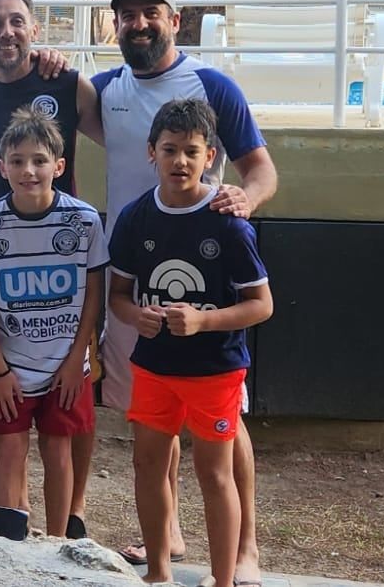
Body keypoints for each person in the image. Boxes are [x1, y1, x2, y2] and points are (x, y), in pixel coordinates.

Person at [90, 0, 278, 579]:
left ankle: (244, 547)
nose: (138, 24)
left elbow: (262, 170)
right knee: (152, 418)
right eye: (126, 16)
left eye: (151, 13)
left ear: (174, 19)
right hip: (137, 268)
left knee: (225, 426)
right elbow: (45, 93)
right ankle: (165, 540)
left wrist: (241, 203)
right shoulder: (103, 89)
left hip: (208, 280)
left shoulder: (212, 87)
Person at [0, 0, 102, 538]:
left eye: (17, 21)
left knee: (62, 442)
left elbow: (132, 128)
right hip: (10, 336)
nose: (6, 32)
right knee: (10, 452)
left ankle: (67, 535)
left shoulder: (62, 79)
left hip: (63, 335)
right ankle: (8, 545)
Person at [107, 98, 273, 587]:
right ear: (150, 153)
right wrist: (137, 315)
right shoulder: (137, 218)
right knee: (148, 465)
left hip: (214, 370)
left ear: (210, 156)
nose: (180, 161)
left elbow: (261, 305)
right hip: (154, 367)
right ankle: (159, 573)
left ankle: (223, 579)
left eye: (191, 152)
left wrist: (204, 321)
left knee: (214, 474)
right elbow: (118, 295)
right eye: (170, 149)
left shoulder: (227, 221)